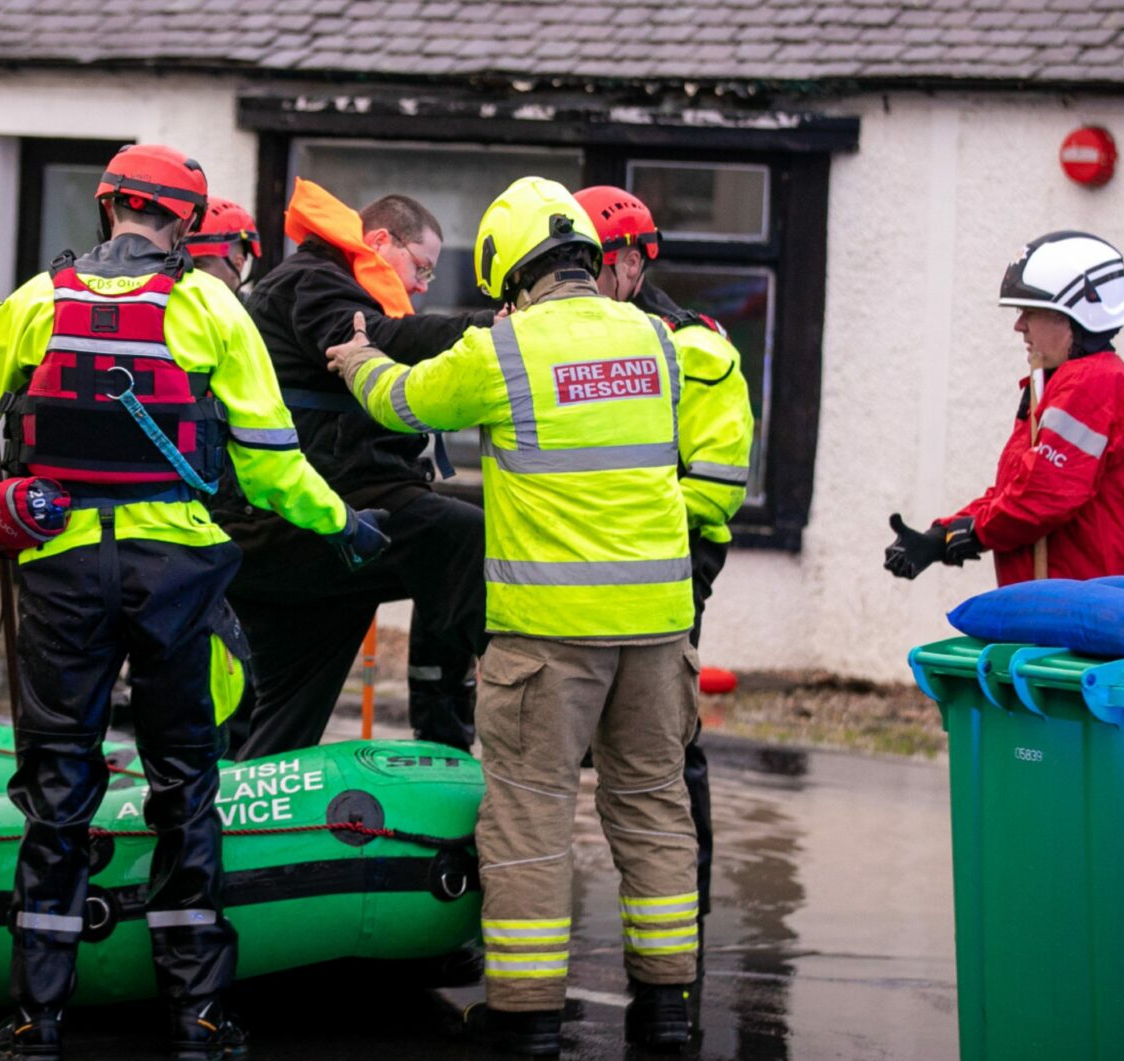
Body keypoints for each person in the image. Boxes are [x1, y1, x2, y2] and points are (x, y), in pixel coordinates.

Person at [0, 144, 387, 1059]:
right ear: (184, 223)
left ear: (109, 209)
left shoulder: (36, 299)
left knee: (58, 791)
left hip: (61, 571)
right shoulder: (210, 303)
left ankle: (35, 1018)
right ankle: (199, 1015)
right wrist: (343, 521)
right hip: (175, 573)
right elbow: (266, 462)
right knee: (186, 783)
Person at [326, 177, 705, 1056]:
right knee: (652, 806)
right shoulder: (655, 337)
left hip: (548, 633)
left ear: (507, 266)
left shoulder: (506, 349)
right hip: (657, 625)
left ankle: (527, 1015)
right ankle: (669, 1006)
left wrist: (354, 360)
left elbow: (404, 401)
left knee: (530, 814)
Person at [222, 180, 490, 757]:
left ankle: (241, 817)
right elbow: (381, 342)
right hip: (307, 519)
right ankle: (465, 726)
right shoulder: (312, 280)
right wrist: (504, 330)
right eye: (421, 266)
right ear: (379, 240)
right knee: (464, 539)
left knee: (289, 715)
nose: (423, 285)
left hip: (297, 531)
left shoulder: (327, 286)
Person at [577, 185, 753, 941]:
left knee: (663, 736)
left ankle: (687, 905)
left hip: (668, 555)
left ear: (626, 264)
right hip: (584, 554)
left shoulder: (695, 347)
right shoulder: (570, 335)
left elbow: (713, 489)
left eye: (586, 267)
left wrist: (623, 520)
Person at [884, 231, 1124, 584]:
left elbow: (1044, 496)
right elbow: (1020, 490)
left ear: (1075, 317)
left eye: (1031, 311)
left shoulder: (1093, 385)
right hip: (1068, 608)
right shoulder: (1064, 385)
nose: (1019, 325)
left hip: (1089, 615)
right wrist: (942, 537)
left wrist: (973, 531)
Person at [186, 197, 260, 293]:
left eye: (197, 265)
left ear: (237, 264)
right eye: (178, 263)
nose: (181, 274)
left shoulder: (256, 308)